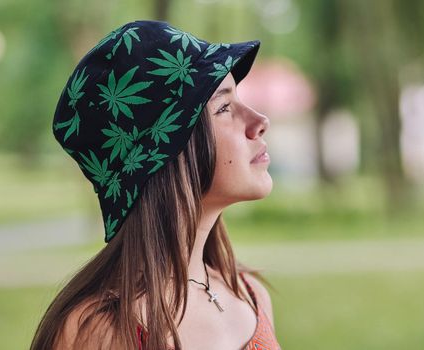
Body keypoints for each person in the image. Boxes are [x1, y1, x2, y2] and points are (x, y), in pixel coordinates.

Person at [30, 20, 281, 350]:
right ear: (161, 153)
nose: (259, 122)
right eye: (223, 107)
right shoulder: (101, 331)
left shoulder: (251, 295)